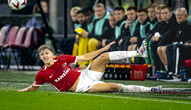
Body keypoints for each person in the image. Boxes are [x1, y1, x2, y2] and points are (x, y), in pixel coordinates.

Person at [18, 40, 162, 93]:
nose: (45, 55)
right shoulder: (42, 74)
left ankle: (139, 53)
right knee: (114, 87)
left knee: (104, 57)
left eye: (46, 52)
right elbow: (34, 87)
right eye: (42, 54)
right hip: (81, 87)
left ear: (52, 54)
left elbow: (85, 57)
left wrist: (102, 49)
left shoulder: (61, 58)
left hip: (85, 74)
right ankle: (151, 89)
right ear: (40, 57)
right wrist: (23, 90)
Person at [160, 8, 191, 80]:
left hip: (187, 47)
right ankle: (170, 72)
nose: (179, 17)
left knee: (177, 46)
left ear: (186, 16)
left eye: (181, 15)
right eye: (177, 15)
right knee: (169, 47)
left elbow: (186, 40)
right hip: (181, 47)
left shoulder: (188, 26)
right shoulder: (178, 26)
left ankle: (176, 74)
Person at [150, 5, 178, 80]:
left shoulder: (174, 21)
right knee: (154, 45)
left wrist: (160, 37)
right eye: (162, 13)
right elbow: (160, 32)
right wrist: (155, 36)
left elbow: (171, 33)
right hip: (167, 41)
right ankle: (162, 69)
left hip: (174, 42)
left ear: (171, 13)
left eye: (166, 13)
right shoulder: (164, 23)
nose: (164, 15)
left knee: (162, 45)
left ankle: (168, 70)